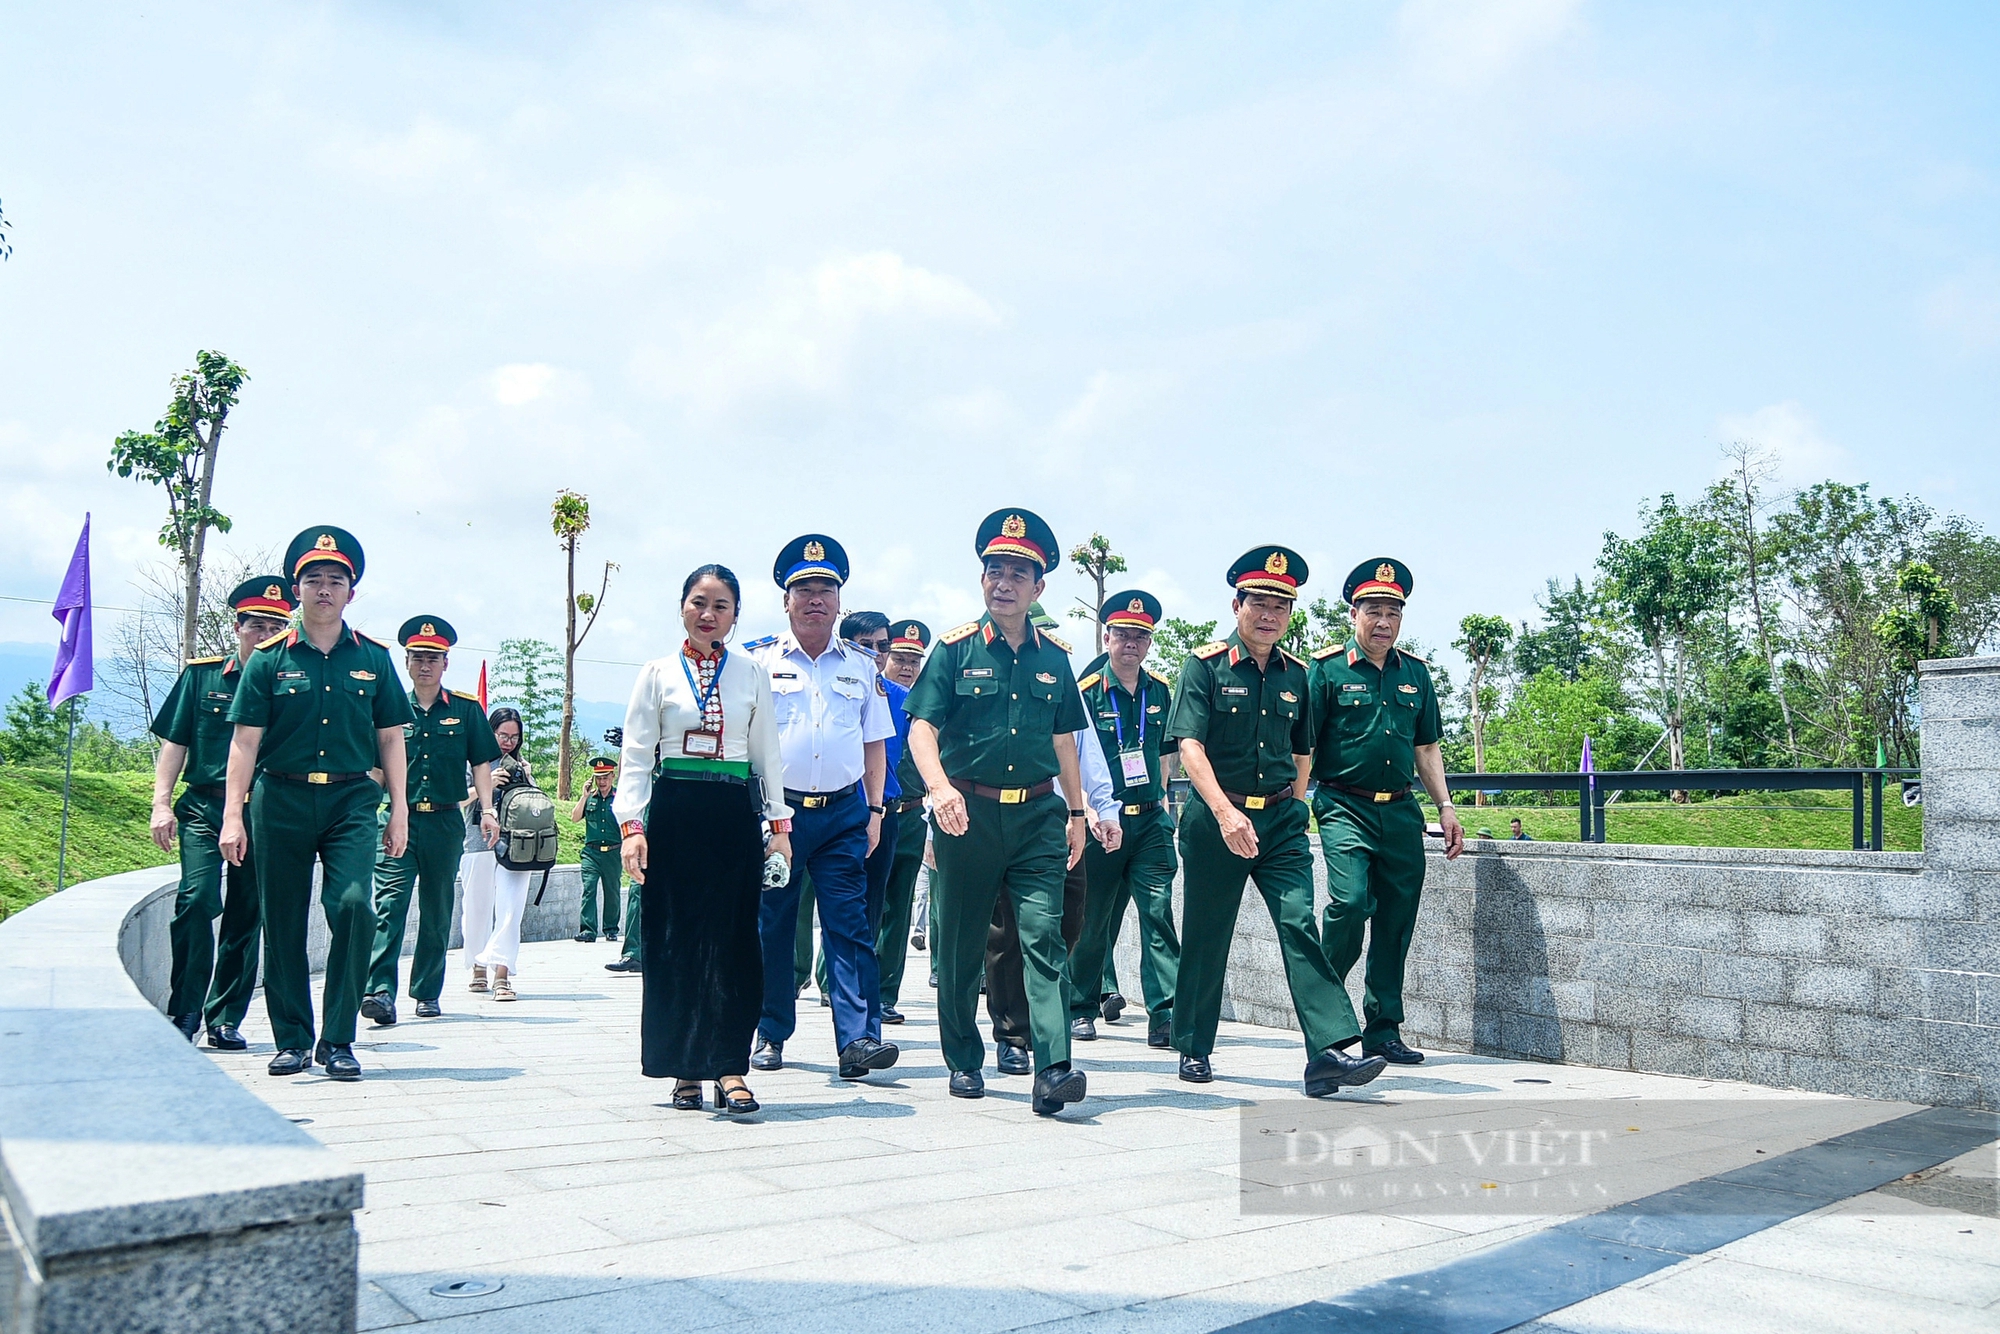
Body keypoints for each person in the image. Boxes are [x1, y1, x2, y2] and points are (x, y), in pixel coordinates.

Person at [1164, 545, 1386, 1097]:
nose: (1269, 615)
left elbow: (1302, 745)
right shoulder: (1205, 666)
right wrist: (1223, 811)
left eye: (1281, 606)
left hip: (1281, 821)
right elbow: (1189, 745)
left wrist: (1298, 798)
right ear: (1237, 605)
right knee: (1207, 934)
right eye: (1259, 603)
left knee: (1298, 922)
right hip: (1216, 819)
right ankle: (1193, 1045)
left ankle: (1328, 1051)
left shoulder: (1298, 674)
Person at [904, 509, 1092, 1116]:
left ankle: (1054, 1066)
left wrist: (1078, 814)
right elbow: (921, 728)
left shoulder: (1057, 659)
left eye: (1018, 573)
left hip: (1039, 815)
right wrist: (938, 789)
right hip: (968, 817)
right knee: (959, 945)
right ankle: (963, 1058)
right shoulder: (954, 650)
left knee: (1043, 935)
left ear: (1039, 589)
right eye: (994, 571)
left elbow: (1066, 742)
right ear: (982, 580)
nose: (1004, 582)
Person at [220, 526, 413, 1082]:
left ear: (351, 593)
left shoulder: (374, 659)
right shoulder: (268, 659)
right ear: (296, 588)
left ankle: (337, 1039)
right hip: (279, 797)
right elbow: (245, 742)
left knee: (354, 905)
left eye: (335, 580)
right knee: (280, 920)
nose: (324, 588)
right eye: (313, 579)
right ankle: (292, 1039)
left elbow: (391, 738)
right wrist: (234, 814)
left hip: (352, 799)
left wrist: (397, 809)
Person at [615, 564, 791, 1114]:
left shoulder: (750, 673)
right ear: (682, 607)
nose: (708, 614)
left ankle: (731, 1068)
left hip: (732, 813)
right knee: (674, 945)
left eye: (721, 606)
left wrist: (778, 828)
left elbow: (767, 755)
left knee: (735, 944)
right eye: (698, 603)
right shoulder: (657, 672)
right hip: (675, 813)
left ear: (736, 614)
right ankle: (684, 1071)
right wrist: (632, 828)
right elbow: (638, 756)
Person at [745, 535, 899, 1083]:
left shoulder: (860, 665)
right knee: (773, 926)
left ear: (840, 602)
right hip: (777, 819)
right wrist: (761, 816)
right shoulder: (758, 661)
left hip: (841, 816)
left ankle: (859, 1037)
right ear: (786, 600)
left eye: (827, 589)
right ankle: (769, 1031)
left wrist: (875, 811)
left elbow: (874, 743)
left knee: (850, 924)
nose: (816, 598)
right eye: (804, 588)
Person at [1308, 559, 1465, 1066]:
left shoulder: (1416, 674)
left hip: (1400, 813)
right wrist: (1293, 804)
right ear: (1353, 613)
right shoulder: (1326, 670)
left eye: (1392, 613)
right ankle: (1323, 1017)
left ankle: (1382, 1029)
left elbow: (1427, 750)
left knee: (1396, 922)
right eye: (1373, 611)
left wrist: (1445, 807)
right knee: (1350, 904)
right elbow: (1303, 749)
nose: (1383, 622)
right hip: (1342, 805)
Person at [148, 576, 294, 1049]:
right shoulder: (203, 675)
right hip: (204, 809)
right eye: (256, 625)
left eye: (276, 626)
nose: (264, 634)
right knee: (197, 900)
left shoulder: (291, 682)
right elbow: (176, 742)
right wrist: (161, 803)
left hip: (264, 814)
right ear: (238, 626)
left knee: (246, 915)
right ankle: (185, 1009)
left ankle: (225, 1017)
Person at [981, 600, 1122, 1073]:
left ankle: (1045, 1019)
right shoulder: (987, 677)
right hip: (1006, 820)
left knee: (1065, 926)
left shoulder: (1059, 676)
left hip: (1064, 822)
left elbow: (1086, 752)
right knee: (1009, 933)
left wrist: (1099, 810)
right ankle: (1015, 1034)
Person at [362, 617, 501, 1026]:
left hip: (443, 822)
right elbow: (375, 768)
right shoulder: (387, 707)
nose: (425, 665)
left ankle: (426, 992)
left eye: (433, 658)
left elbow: (480, 763)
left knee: (437, 909)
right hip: (396, 823)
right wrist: (368, 811)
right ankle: (379, 991)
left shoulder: (463, 709)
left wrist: (488, 811)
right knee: (389, 905)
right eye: (418, 658)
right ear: (406, 661)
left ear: (445, 663)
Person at [1068, 590, 1183, 1050]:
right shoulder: (1086, 694)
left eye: (1140, 636)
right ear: (1106, 637)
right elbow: (1070, 760)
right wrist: (1087, 813)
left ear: (1149, 642)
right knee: (1094, 919)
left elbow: (1167, 758)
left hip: (1151, 821)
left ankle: (1166, 1012)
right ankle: (1081, 1004)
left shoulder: (1159, 690)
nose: (1131, 644)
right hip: (1103, 822)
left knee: (1158, 914)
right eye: (1122, 635)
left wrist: (1165, 809)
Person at [873, 619, 931, 1023]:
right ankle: (835, 982)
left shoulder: (928, 711)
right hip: (873, 815)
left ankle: (885, 993)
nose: (907, 667)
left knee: (899, 908)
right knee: (862, 904)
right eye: (900, 658)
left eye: (914, 660)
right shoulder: (874, 699)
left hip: (912, 816)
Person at [460, 707, 534, 1001]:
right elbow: (457, 799)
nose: (508, 742)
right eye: (503, 735)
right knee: (476, 907)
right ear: (490, 732)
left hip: (517, 846)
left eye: (514, 737)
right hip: (477, 843)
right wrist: (485, 786)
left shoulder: (521, 764)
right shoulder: (473, 762)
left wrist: (526, 780)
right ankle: (478, 966)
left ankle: (502, 974)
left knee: (510, 909)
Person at [573, 757, 624, 942]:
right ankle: (588, 930)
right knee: (589, 888)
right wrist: (584, 796)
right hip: (591, 852)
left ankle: (611, 928)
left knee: (612, 891)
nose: (601, 782)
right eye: (598, 778)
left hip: (613, 852)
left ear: (612, 776)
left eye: (605, 777)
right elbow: (575, 817)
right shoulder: (590, 798)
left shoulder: (620, 798)